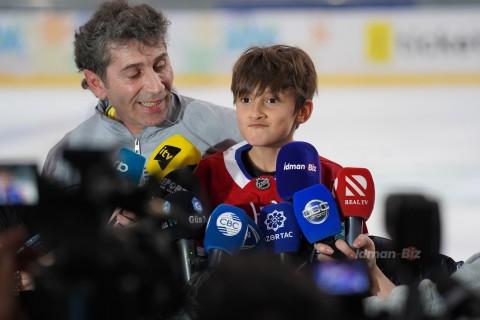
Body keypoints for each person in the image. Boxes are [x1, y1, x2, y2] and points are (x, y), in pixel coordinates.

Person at [41, 0, 242, 197]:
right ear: (96, 83)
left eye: (160, 66)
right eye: (134, 73)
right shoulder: (64, 159)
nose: (156, 87)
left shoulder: (233, 129)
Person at [193, 44, 344, 264]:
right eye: (246, 100)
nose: (255, 113)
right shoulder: (208, 172)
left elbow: (353, 260)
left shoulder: (331, 176)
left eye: (271, 100)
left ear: (302, 112)